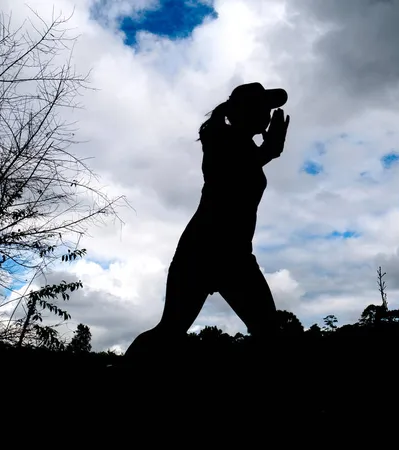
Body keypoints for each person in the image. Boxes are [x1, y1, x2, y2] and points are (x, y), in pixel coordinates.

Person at [124, 82, 290, 362]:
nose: (268, 114)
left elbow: (247, 164)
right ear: (246, 111)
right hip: (203, 250)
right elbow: (232, 171)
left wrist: (268, 151)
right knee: (171, 330)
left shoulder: (243, 144)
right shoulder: (220, 137)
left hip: (234, 253)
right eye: (263, 107)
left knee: (267, 331)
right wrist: (270, 150)